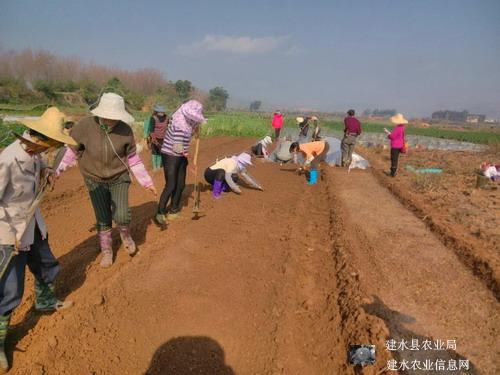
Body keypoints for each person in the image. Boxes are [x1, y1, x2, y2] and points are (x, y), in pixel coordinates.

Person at [0, 107, 75, 372]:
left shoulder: (34, 156)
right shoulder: (8, 160)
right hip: (10, 232)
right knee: (10, 289)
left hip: (32, 223)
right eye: (51, 143)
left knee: (46, 263)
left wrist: (47, 172)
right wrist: (9, 236)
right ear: (39, 139)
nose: (51, 149)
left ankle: (44, 301)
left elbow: (41, 167)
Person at [57, 93, 157, 268]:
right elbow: (71, 151)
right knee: (103, 217)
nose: (112, 120)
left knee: (122, 214)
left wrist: (147, 182)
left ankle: (126, 236)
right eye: (108, 116)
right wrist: (57, 170)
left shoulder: (125, 131)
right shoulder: (84, 127)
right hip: (94, 178)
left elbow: (133, 158)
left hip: (119, 176)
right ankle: (107, 251)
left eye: (115, 117)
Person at [155, 100, 206, 225]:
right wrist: (187, 154)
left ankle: (174, 210)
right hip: (171, 155)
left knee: (181, 184)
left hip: (180, 156)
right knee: (171, 185)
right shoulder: (178, 123)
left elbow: (191, 131)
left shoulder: (188, 122)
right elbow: (177, 147)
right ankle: (160, 212)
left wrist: (196, 129)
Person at [144, 104, 169, 170]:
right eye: (160, 112)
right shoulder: (153, 118)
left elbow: (169, 127)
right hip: (155, 137)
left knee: (161, 152)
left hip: (163, 138)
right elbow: (151, 129)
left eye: (163, 112)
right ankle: (155, 167)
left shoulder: (167, 118)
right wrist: (154, 139)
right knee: (155, 152)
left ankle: (158, 167)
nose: (162, 113)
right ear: (157, 112)